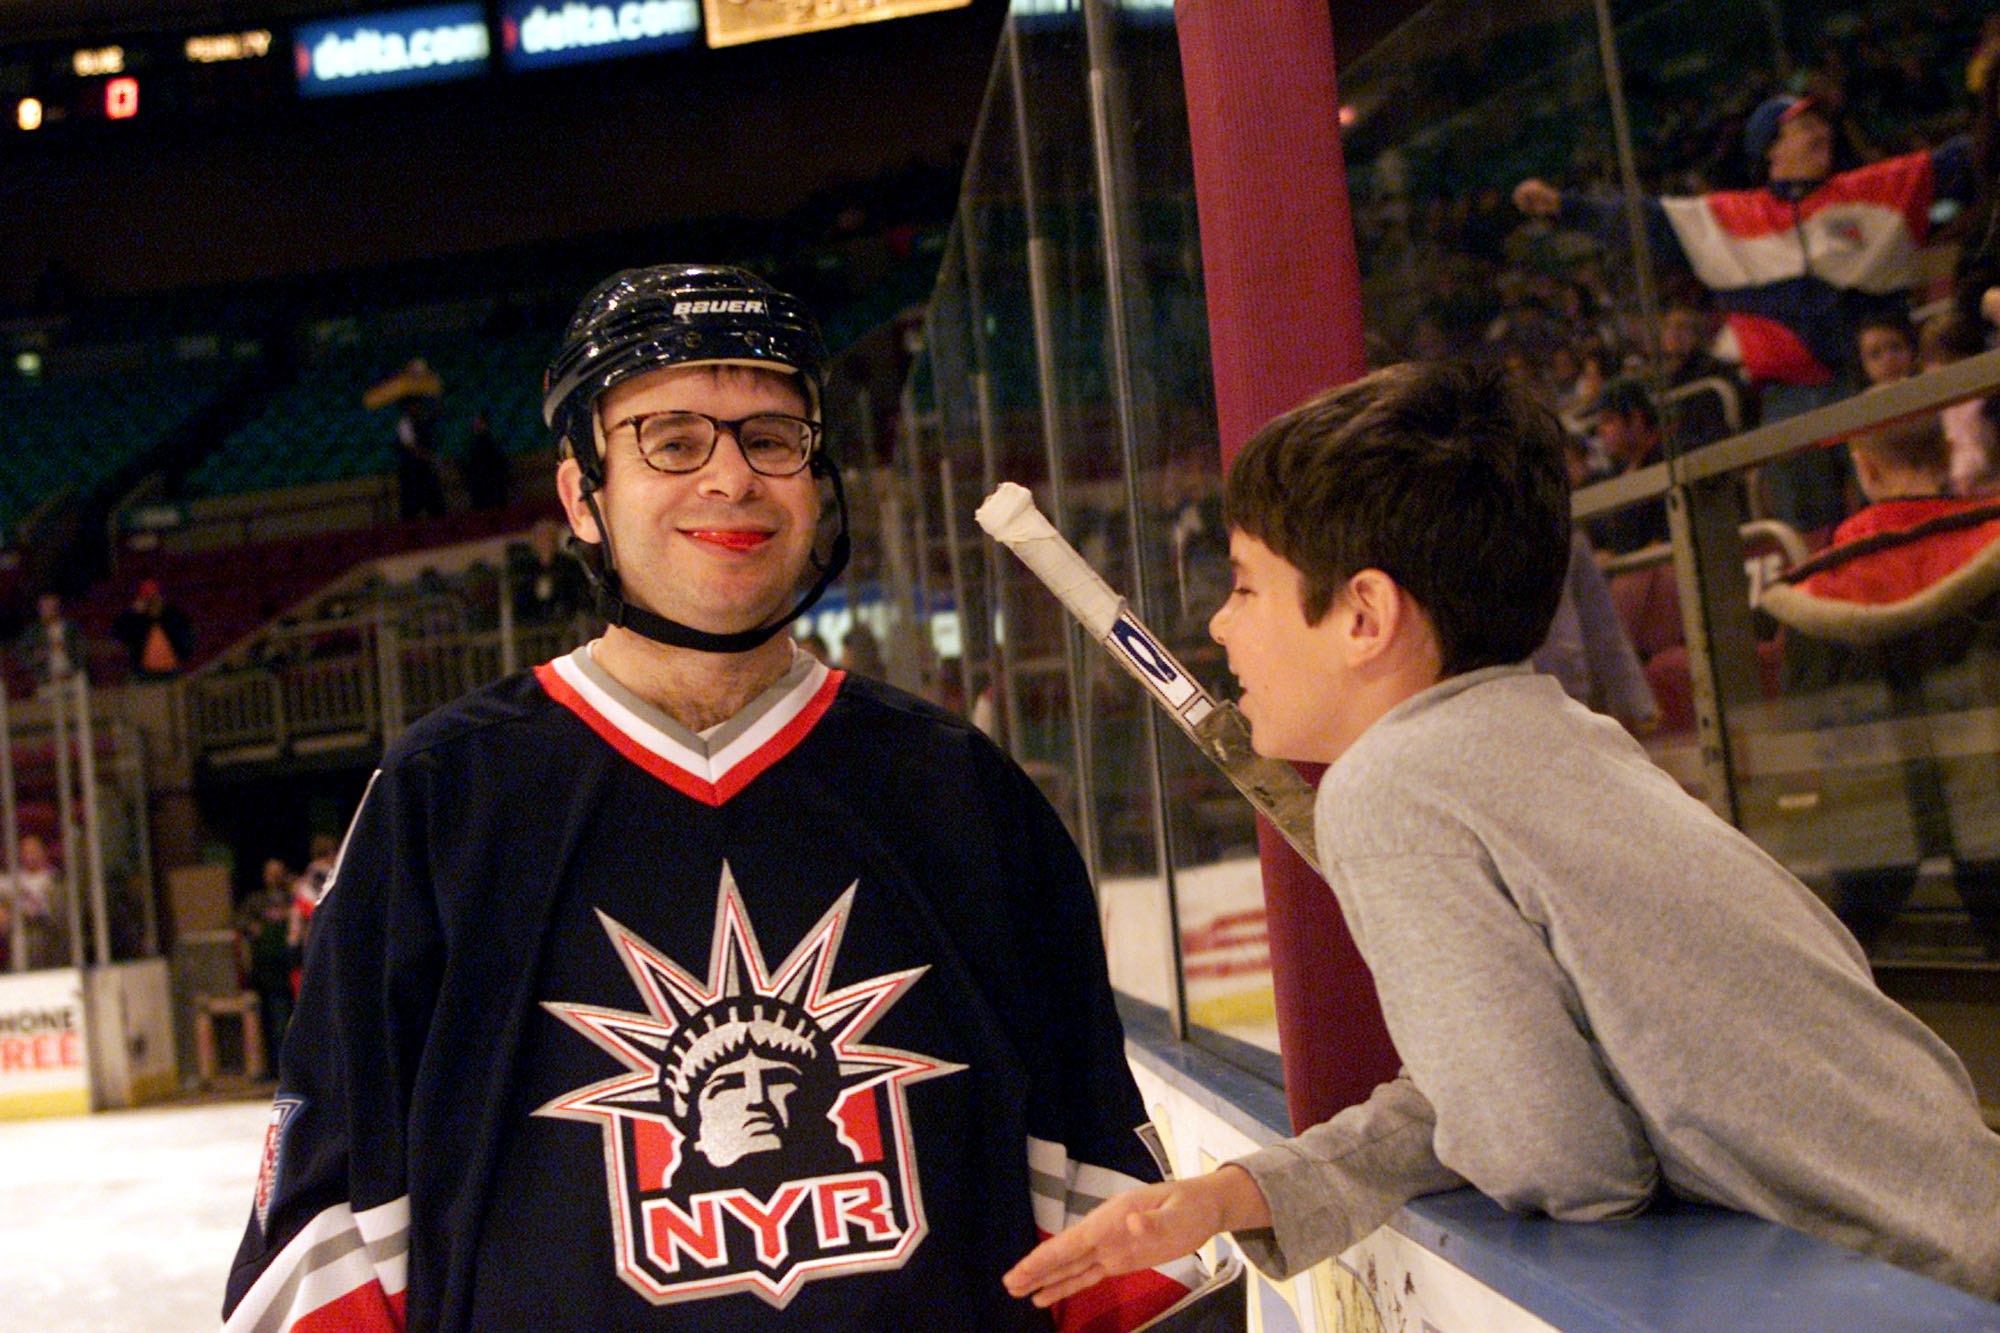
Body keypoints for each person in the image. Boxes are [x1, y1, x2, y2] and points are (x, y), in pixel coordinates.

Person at [224, 265, 1201, 1332]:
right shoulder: (442, 803)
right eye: (672, 439)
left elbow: (1108, 1240)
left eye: (771, 438)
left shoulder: (959, 792)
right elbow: (325, 1250)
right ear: (579, 497)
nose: (730, 479)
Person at [1003, 360, 2000, 1309]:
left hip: (1910, 1292)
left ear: (1362, 615)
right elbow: (1495, 1096)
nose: (1220, 627)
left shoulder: (1390, 788)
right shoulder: (1548, 733)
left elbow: (1560, 1155)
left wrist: (1492, 1128)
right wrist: (1235, 1194)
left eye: (1244, 585)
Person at [1514, 91, 1973, 529]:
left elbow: (1966, 158)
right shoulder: (1730, 220)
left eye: (1820, 123)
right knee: (1810, 535)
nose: (1821, 133)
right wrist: (1565, 207)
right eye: (1804, 126)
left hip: (1873, 386)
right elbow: (1646, 220)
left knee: (1910, 505)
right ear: (1769, 148)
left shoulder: (1876, 190)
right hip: (1788, 404)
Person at [111, 578, 194, 679]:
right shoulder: (136, 619)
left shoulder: (172, 615)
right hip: (143, 674)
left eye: (154, 597)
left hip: (172, 671)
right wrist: (132, 612)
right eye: (147, 598)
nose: (152, 601)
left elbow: (187, 636)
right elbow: (117, 633)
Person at [461, 409, 511, 511]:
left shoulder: (491, 445)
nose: (477, 425)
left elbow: (500, 466)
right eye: (475, 423)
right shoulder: (472, 447)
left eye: (480, 422)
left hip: (494, 487)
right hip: (481, 489)